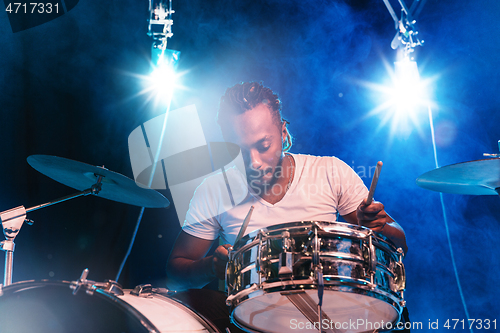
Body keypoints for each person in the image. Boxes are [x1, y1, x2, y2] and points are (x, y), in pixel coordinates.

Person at [166, 81, 408, 332]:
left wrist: (380, 227)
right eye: (238, 150)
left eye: (263, 146)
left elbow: (401, 245)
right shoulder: (215, 189)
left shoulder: (330, 171)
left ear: (283, 133)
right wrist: (211, 267)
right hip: (254, 322)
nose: (254, 163)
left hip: (331, 313)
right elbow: (175, 270)